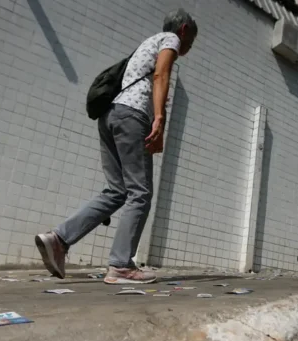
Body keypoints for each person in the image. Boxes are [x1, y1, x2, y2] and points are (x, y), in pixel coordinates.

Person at [35, 9, 198, 284]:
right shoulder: (169, 39)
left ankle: (59, 239)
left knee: (117, 191)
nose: (190, 46)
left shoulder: (145, 45)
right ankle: (121, 265)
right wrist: (160, 118)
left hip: (110, 116)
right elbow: (161, 76)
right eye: (191, 40)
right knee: (140, 192)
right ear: (183, 31)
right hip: (132, 117)